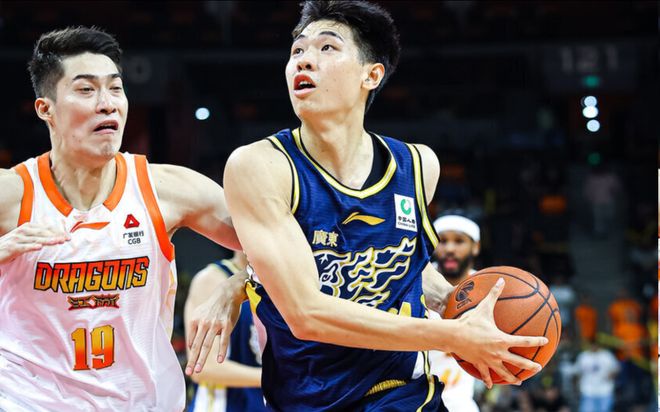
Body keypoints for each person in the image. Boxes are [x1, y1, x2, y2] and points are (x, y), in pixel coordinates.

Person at [187, 2, 548, 411]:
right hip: (309, 400)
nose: (304, 60)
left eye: (327, 48)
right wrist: (453, 335)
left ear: (371, 75)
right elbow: (306, 314)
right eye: (297, 50)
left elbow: (404, 264)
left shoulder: (418, 166)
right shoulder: (261, 166)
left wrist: (458, 304)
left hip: (405, 394)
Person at [0, 26, 244, 411]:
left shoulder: (169, 189)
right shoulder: (11, 194)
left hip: (143, 403)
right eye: (86, 90)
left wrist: (240, 284)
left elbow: (287, 240)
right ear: (46, 109)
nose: (107, 103)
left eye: (115, 88)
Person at [184, 252, 267, 412]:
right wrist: (276, 377)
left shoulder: (280, 278)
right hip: (224, 406)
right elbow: (204, 368)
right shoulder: (211, 279)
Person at [428, 214, 482, 412]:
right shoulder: (415, 281)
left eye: (459, 241)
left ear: (475, 246)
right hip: (414, 398)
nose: (450, 249)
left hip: (460, 403)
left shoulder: (487, 288)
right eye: (443, 241)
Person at [574, 339, 619, 412]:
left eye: (595, 344)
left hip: (605, 390)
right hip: (588, 390)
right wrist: (577, 386)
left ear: (599, 345)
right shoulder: (583, 356)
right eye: (592, 344)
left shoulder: (606, 355)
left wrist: (611, 375)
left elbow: (616, 368)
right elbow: (577, 372)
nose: (594, 346)